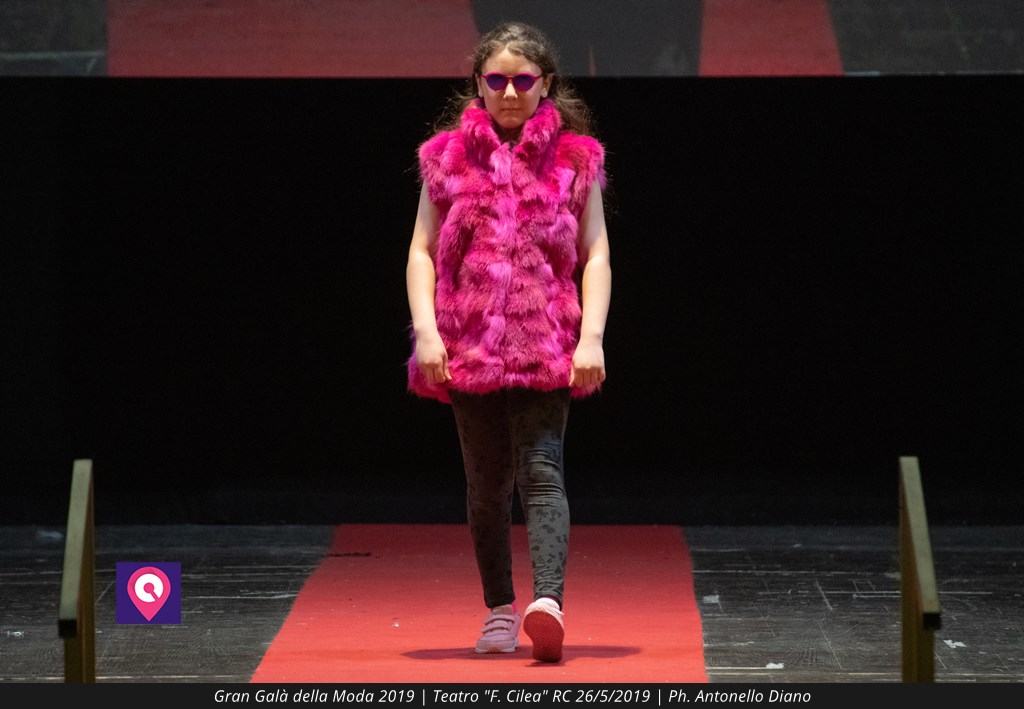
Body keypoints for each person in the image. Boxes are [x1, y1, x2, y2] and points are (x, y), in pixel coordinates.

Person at [404, 21, 611, 663]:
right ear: (479, 83)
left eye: (523, 80)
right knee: (487, 485)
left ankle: (547, 603)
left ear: (545, 84)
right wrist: (426, 333)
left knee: (542, 471)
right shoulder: (445, 158)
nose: (510, 92)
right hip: (467, 345)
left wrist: (592, 338)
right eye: (496, 80)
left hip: (546, 342)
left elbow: (596, 253)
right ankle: (499, 608)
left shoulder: (575, 159)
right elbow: (421, 250)